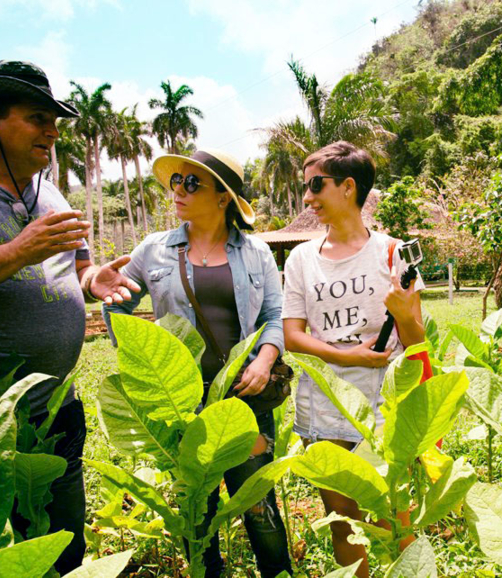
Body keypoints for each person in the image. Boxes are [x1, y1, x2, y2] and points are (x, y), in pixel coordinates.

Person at [103, 148, 292, 578]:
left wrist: (264, 360)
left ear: (223, 197)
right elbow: (118, 305)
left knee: (259, 510)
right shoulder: (153, 251)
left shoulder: (256, 253)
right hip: (180, 405)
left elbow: (273, 318)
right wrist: (142, 361)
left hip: (245, 402)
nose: (178, 192)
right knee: (197, 517)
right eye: (175, 182)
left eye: (192, 183)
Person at [0, 60, 141, 574]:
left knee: (64, 538)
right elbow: (24, 255)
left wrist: (93, 279)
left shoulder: (51, 193)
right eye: (38, 117)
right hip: (1, 418)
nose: (53, 133)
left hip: (58, 403)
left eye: (56, 122)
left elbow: (78, 266)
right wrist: (15, 252)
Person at [282, 141, 425, 576]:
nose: (307, 198)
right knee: (343, 522)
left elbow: (417, 341)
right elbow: (293, 337)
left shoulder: (392, 252)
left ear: (348, 188)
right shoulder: (301, 259)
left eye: (315, 186)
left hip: (385, 404)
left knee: (392, 514)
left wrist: (404, 316)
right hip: (324, 403)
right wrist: (351, 355)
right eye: (304, 187)